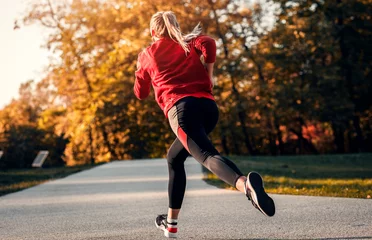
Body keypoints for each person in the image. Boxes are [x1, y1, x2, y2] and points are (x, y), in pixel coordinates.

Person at [134, 11, 275, 239]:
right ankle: (170, 224)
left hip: (181, 111)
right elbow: (208, 42)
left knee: (208, 156)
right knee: (174, 158)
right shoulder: (188, 42)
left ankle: (244, 185)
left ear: (152, 32)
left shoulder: (147, 54)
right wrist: (208, 74)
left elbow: (140, 94)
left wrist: (139, 72)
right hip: (208, 109)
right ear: (175, 26)